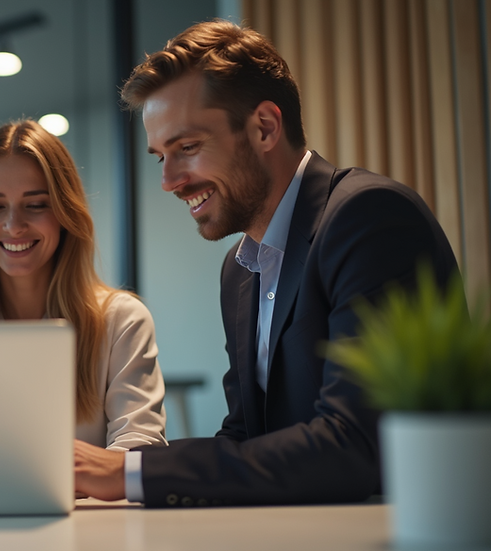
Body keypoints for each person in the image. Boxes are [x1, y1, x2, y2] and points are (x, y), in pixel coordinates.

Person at [74, 20, 459, 506]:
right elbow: (245, 440)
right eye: (160, 157)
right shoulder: (238, 271)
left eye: (187, 148)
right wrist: (122, 472)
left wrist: (132, 472)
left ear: (264, 127)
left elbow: (355, 445)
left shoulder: (368, 219)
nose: (169, 181)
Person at [0, 119, 166, 451]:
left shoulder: (121, 320)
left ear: (66, 213)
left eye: (35, 205)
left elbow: (140, 444)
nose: (13, 225)